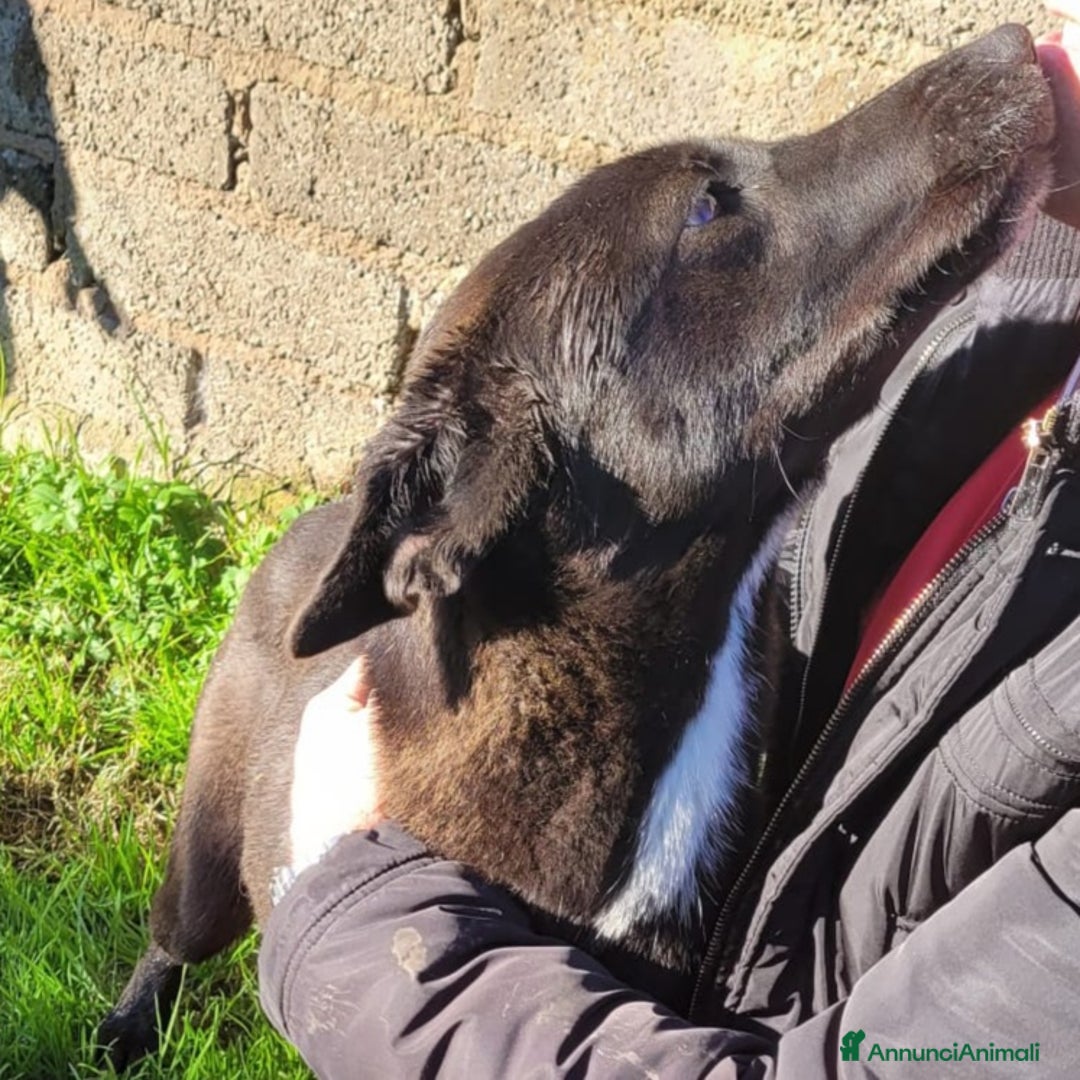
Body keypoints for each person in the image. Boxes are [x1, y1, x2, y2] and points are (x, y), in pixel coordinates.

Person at [258, 7, 1080, 1076]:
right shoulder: (1013, 314)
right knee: (183, 925)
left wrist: (371, 937)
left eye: (711, 210)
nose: (1035, 36)